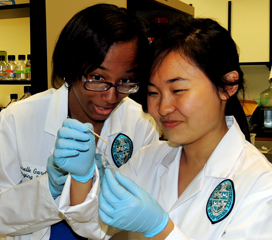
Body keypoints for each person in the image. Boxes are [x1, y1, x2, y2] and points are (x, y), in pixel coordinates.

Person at [54, 17, 272, 239]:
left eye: (178, 90)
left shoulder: (260, 184)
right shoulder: (148, 160)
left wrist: (161, 230)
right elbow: (94, 225)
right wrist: (82, 178)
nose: (163, 108)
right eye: (153, 93)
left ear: (227, 86)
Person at [0, 3, 160, 240]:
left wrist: (94, 189)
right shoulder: (18, 119)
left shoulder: (140, 126)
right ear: (71, 68)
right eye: (97, 77)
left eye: (125, 80)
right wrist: (50, 189)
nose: (110, 96)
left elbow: (136, 225)